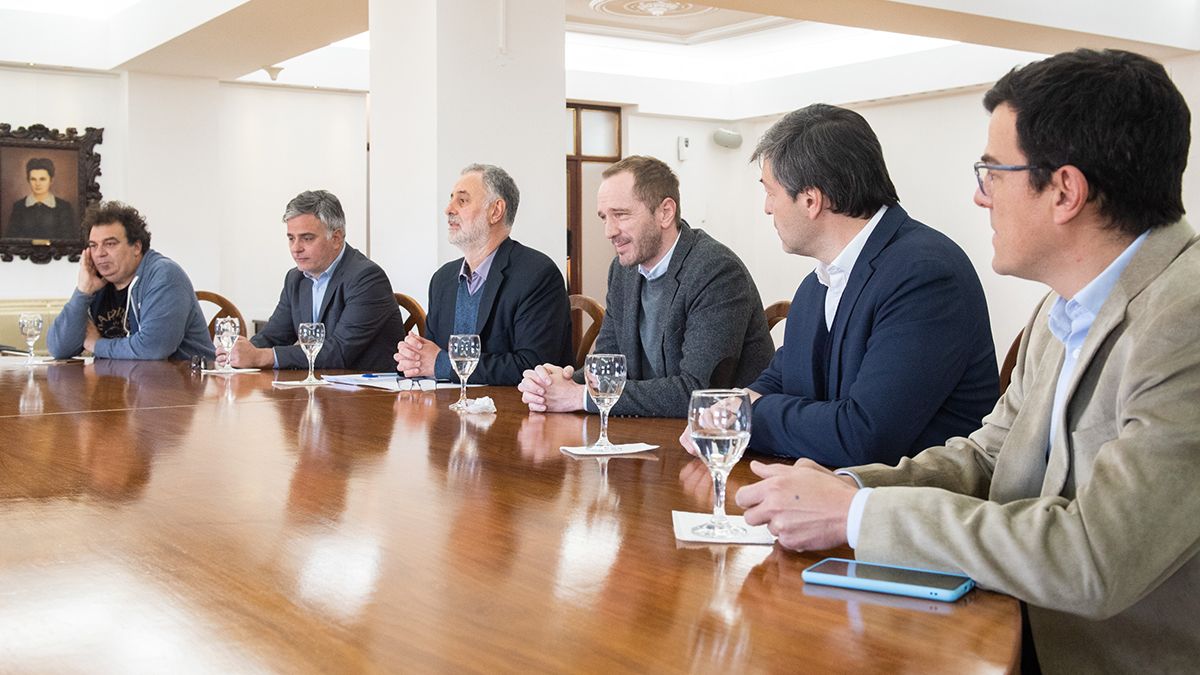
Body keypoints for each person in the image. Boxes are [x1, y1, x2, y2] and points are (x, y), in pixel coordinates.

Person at [734, 49, 1199, 673]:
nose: (980, 198)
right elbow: (986, 458)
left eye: (992, 174)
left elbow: (1095, 557)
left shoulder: (1185, 318)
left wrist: (859, 515)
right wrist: (849, 488)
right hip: (1008, 620)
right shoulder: (1062, 306)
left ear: (1064, 191)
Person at [681, 104, 998, 465]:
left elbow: (862, 435)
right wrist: (728, 408)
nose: (767, 208)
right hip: (823, 486)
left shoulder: (925, 275)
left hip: (908, 496)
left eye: (771, 193)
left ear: (811, 200)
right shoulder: (816, 285)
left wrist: (750, 416)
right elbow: (782, 378)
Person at [518, 155, 774, 418]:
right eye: (604, 217)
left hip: (721, 436)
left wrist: (580, 396)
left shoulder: (716, 271)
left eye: (621, 215)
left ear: (665, 212)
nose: (609, 231)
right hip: (650, 430)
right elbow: (608, 366)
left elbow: (697, 392)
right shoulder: (622, 271)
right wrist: (555, 384)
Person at [394, 164, 572, 386]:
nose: (448, 209)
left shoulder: (537, 275)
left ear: (495, 211)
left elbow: (534, 367)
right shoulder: (442, 279)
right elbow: (429, 357)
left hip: (511, 407)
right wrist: (413, 358)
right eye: (451, 200)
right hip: (447, 405)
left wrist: (441, 364)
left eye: (462, 201)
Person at [224, 190, 404, 371]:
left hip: (367, 386)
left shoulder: (367, 278)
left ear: (336, 238)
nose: (295, 248)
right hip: (319, 384)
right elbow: (273, 336)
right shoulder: (295, 279)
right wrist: (240, 352)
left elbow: (339, 352)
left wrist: (262, 357)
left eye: (307, 238)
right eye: (291, 238)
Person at [47, 201, 214, 361]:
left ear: (136, 247)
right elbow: (59, 349)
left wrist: (97, 345)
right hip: (122, 379)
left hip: (183, 379)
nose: (99, 253)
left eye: (110, 244)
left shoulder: (164, 275)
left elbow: (154, 348)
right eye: (93, 245)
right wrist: (83, 292)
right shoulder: (96, 282)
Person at [6, 157, 76, 240]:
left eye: (42, 179)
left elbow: (68, 239)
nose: (37, 184)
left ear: (51, 180)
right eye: (33, 179)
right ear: (28, 180)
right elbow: (11, 239)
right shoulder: (19, 206)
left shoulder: (64, 207)